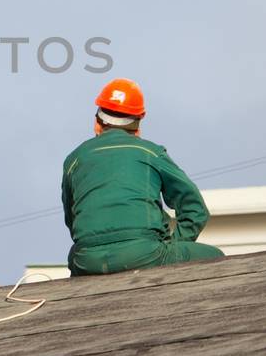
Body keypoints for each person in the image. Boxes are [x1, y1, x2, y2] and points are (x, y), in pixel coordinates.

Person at [61, 78, 224, 275]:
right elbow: (195, 209)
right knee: (214, 256)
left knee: (76, 256)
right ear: (137, 127)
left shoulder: (73, 160)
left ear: (97, 123)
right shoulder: (151, 152)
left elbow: (72, 221)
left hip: (86, 261)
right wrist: (173, 246)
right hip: (143, 254)